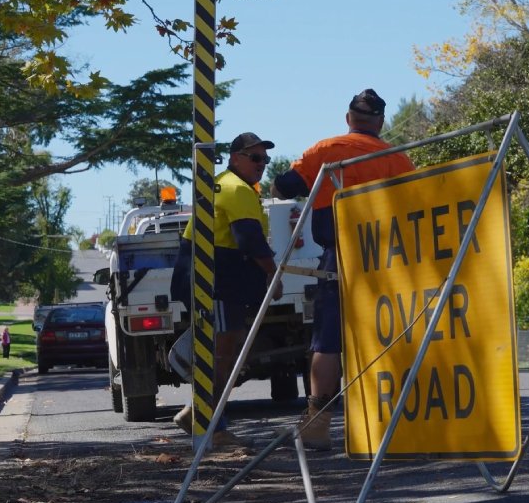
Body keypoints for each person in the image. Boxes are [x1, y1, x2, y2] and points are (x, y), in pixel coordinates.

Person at [273, 88, 415, 450]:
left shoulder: (324, 151)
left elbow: (282, 186)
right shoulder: (395, 158)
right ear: (380, 122)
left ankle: (318, 425)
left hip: (338, 255)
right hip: (387, 258)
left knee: (328, 340)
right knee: (391, 334)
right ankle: (395, 419)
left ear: (348, 118)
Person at [169, 132, 283, 448]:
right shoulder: (236, 189)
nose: (262, 165)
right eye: (255, 157)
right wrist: (273, 276)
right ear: (235, 158)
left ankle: (197, 415)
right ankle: (213, 430)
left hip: (214, 278)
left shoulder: (225, 183)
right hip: (216, 281)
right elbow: (249, 239)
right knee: (220, 356)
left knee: (224, 353)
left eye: (265, 159)